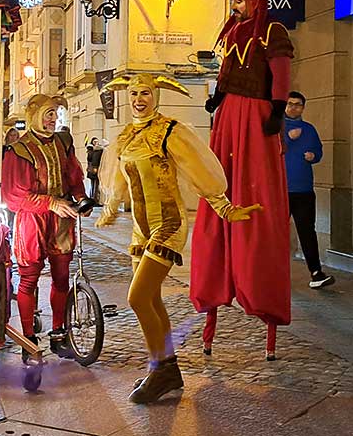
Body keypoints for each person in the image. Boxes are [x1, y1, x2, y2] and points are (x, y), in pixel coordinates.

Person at [96, 74, 261, 403]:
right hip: (140, 229)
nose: (139, 99)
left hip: (168, 224)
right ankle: (168, 369)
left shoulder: (169, 131)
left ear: (155, 95)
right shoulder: (127, 137)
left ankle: (160, 370)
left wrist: (225, 208)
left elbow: (198, 170)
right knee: (152, 299)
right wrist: (110, 209)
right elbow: (120, 180)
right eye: (134, 93)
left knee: (137, 299)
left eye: (145, 93)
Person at [190, 0, 294, 359]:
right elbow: (227, 71)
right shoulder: (234, 32)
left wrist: (278, 109)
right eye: (232, 0)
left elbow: (281, 74)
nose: (234, 6)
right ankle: (214, 291)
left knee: (256, 190)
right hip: (230, 118)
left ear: (254, 0)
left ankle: (261, 296)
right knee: (220, 187)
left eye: (239, 0)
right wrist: (218, 97)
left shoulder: (272, 31)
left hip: (254, 119)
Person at [1, 94, 88, 356]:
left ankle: (59, 332)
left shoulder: (63, 142)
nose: (53, 119)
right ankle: (29, 337)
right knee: (29, 279)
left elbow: (73, 175)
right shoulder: (19, 150)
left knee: (61, 277)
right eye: (48, 113)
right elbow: (14, 195)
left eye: (55, 114)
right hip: (33, 220)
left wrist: (81, 198)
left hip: (61, 218)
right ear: (35, 115)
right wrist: (49, 202)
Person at [284, 91, 335, 288]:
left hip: (304, 189)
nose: (293, 107)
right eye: (290, 104)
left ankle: (316, 273)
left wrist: (314, 156)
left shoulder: (309, 129)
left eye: (297, 104)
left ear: (303, 108)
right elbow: (267, 151)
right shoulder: (277, 128)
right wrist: (288, 138)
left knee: (307, 231)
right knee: (274, 232)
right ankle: (270, 274)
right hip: (280, 190)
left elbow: (319, 151)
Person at [86, 137, 104, 202]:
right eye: (95, 142)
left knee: (94, 184)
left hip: (93, 169)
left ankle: (93, 198)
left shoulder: (94, 150)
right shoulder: (94, 150)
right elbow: (93, 160)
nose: (96, 143)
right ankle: (94, 199)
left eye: (97, 141)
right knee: (95, 184)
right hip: (94, 169)